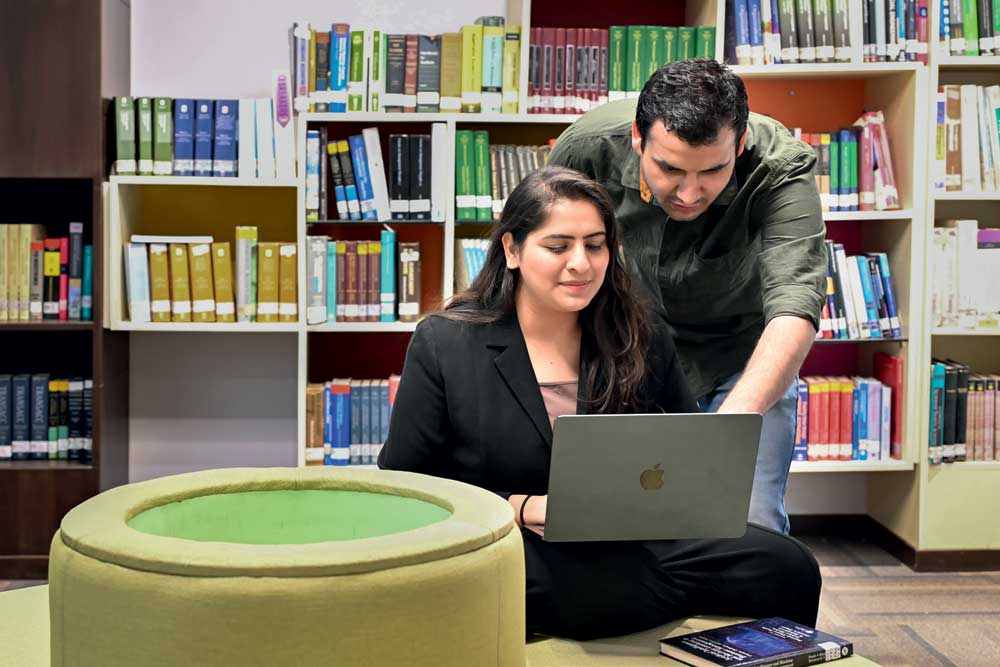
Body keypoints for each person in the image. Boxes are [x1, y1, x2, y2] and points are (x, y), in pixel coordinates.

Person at [378, 166, 821, 641]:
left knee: (788, 566)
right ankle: (650, 599)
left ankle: (640, 601)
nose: (581, 264)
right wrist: (521, 507)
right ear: (512, 249)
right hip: (515, 539)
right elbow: (409, 485)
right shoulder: (446, 341)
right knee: (585, 590)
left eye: (595, 245)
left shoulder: (640, 332)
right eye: (558, 246)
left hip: (631, 536)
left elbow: (690, 454)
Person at [546, 58, 826, 534]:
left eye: (713, 171)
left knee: (748, 523)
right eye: (670, 169)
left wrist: (725, 430)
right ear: (639, 138)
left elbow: (795, 306)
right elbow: (545, 258)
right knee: (611, 518)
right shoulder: (587, 149)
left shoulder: (782, 167)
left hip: (739, 360)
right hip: (625, 349)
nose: (690, 194)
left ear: (738, 145)